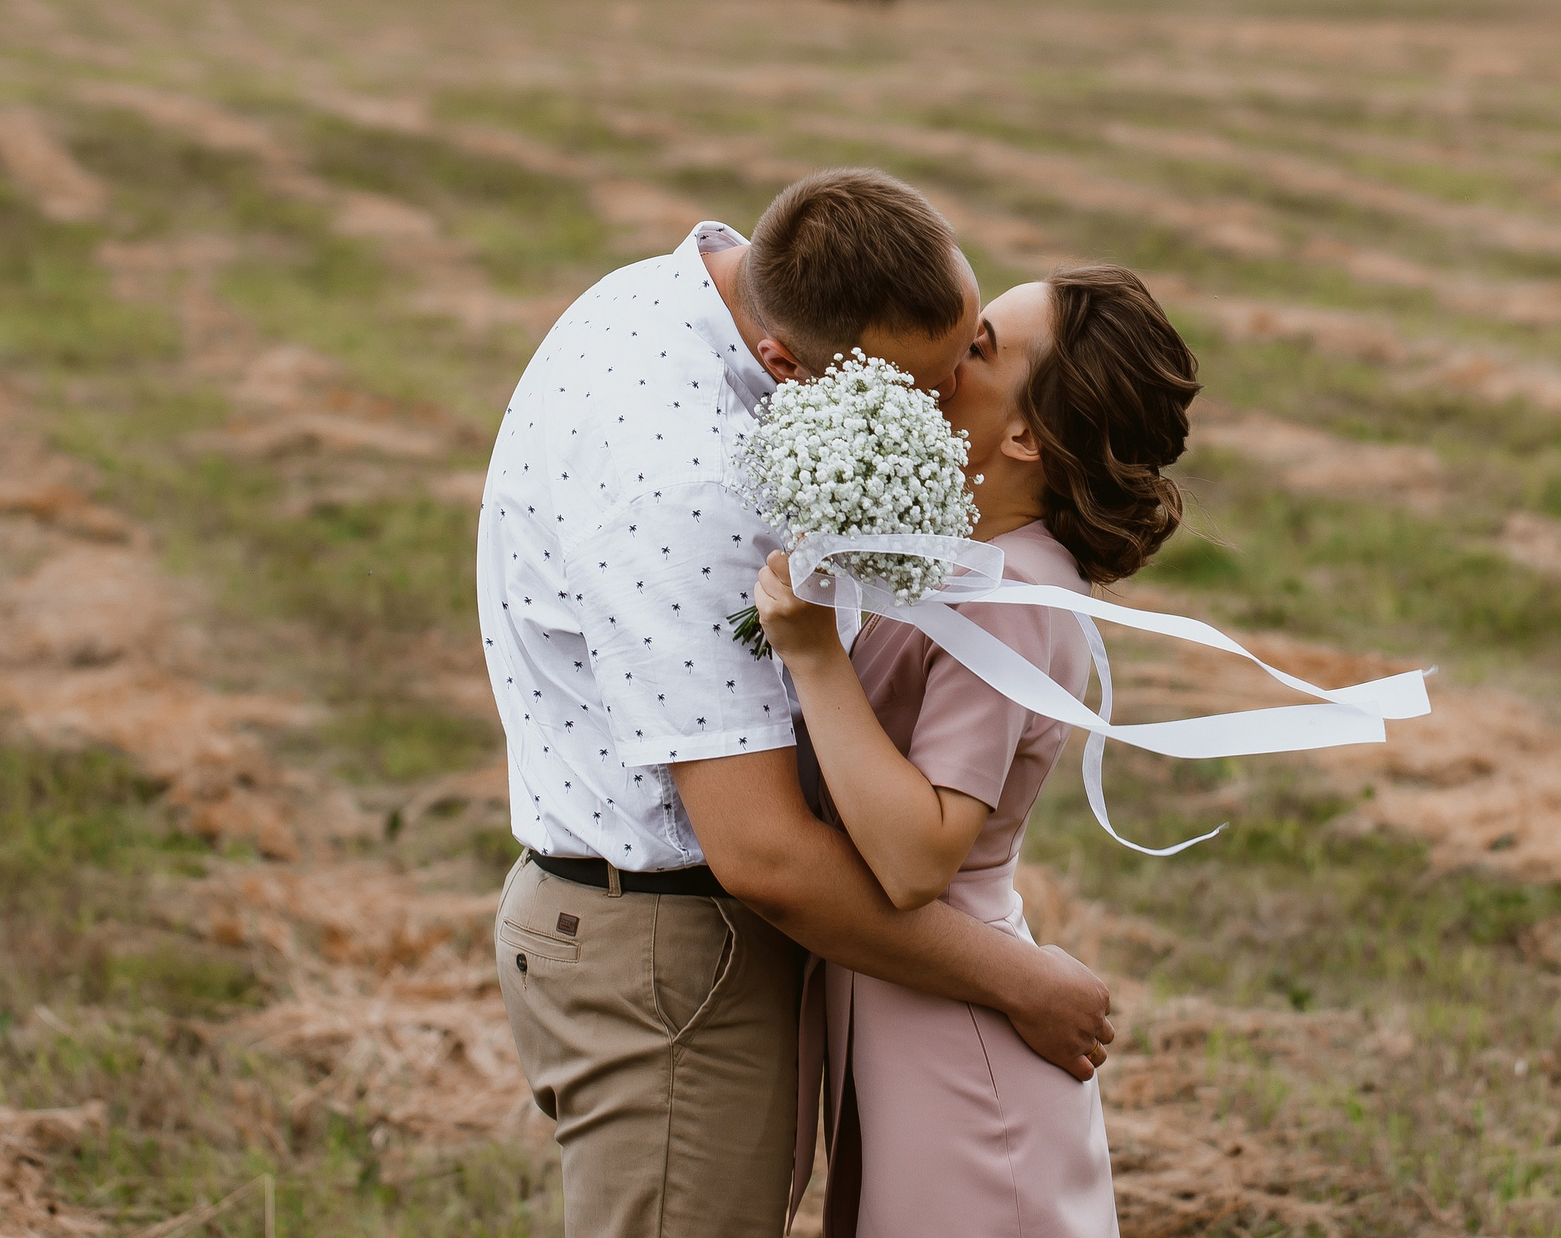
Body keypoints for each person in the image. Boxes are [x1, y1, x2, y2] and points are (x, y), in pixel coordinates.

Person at [478, 170, 1117, 1238]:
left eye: (968, 355)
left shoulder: (673, 295)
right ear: (787, 361)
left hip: (695, 942)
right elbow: (766, 856)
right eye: (922, 383)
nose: (942, 403)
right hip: (671, 956)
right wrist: (1020, 980)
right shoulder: (689, 487)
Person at [753, 265, 1201, 1238]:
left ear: (1027, 435)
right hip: (911, 1017)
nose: (948, 356)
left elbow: (919, 858)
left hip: (961, 1059)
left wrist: (813, 655)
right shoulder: (972, 566)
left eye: (979, 348)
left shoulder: (1006, 598)